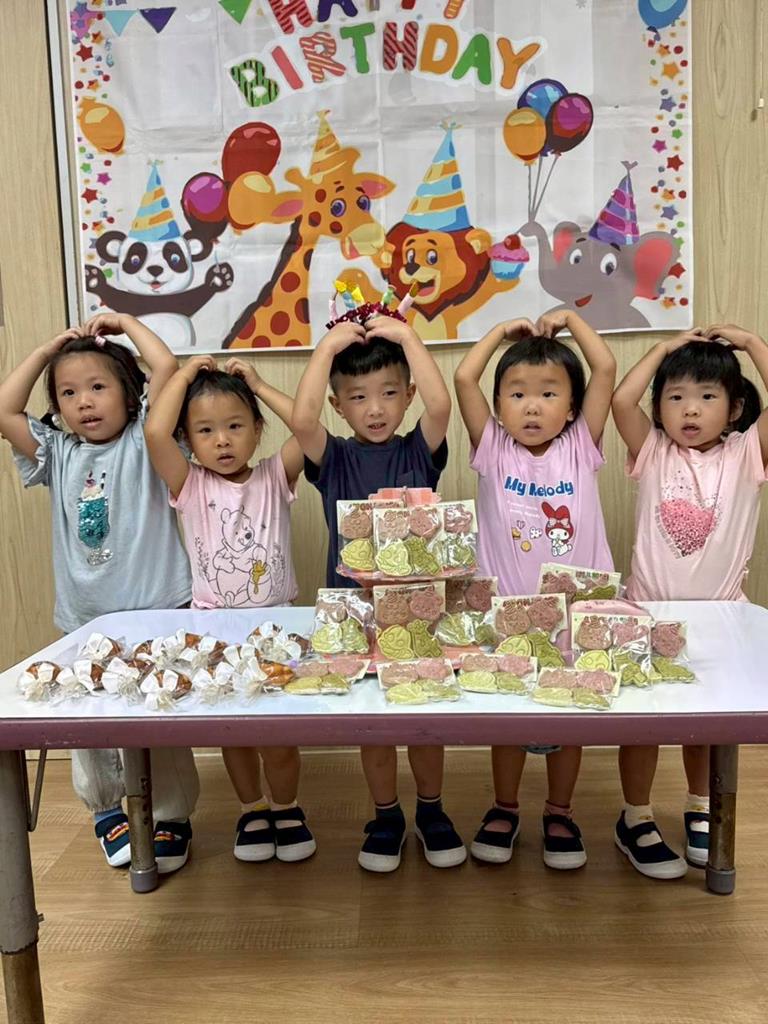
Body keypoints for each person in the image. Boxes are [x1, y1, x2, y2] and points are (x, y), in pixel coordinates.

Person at [0, 314, 199, 873]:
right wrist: (47, 350)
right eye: (68, 393)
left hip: (158, 610)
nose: (84, 401)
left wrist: (126, 323)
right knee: (90, 714)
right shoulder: (57, 451)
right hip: (86, 618)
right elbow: (5, 411)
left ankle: (171, 815)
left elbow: (166, 366)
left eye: (97, 386)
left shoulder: (147, 437)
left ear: (129, 394)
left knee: (160, 713)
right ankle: (108, 809)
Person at [291, 314, 464, 873]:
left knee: (425, 718)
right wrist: (326, 349)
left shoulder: (417, 451)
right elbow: (300, 419)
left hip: (420, 617)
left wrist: (407, 337)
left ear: (408, 395)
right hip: (355, 620)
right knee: (374, 722)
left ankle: (432, 810)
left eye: (389, 393)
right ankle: (385, 815)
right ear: (339, 405)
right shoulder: (334, 458)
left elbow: (442, 407)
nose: (375, 408)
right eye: (358, 397)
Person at [454, 311, 616, 869]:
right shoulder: (492, 449)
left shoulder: (581, 445)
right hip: (506, 617)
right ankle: (504, 806)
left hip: (575, 619)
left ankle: (560, 811)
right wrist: (501, 333)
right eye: (517, 393)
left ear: (571, 407)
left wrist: (571, 319)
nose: (531, 406)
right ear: (499, 405)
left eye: (548, 393)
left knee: (569, 719)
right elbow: (464, 378)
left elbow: (604, 366)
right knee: (508, 717)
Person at [611, 324, 768, 879]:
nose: (690, 409)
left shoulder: (747, 454)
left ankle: (701, 807)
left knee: (707, 726)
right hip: (647, 614)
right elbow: (621, 401)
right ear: (660, 410)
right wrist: (662, 350)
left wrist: (752, 345)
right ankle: (635, 816)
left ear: (736, 407)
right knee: (643, 726)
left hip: (720, 617)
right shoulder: (654, 450)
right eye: (675, 397)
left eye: (706, 396)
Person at [145, 355, 315, 864]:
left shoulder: (274, 474)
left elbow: (308, 426)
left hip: (276, 631)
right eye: (205, 430)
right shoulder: (190, 484)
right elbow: (154, 432)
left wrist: (258, 384)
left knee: (279, 737)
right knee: (234, 735)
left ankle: (286, 807)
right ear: (188, 439)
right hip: (215, 635)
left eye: (235, 426)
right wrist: (182, 376)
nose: (222, 440)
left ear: (257, 429)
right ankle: (252, 809)